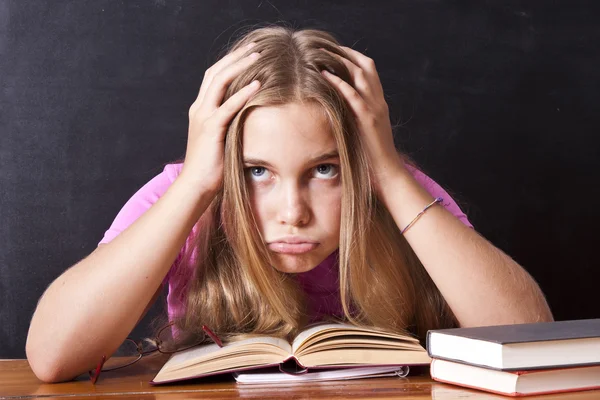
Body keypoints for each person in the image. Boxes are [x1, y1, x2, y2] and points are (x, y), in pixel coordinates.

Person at [26, 25, 553, 383]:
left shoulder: (392, 187)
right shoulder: (184, 195)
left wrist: (389, 174)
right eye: (258, 173)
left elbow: (531, 341)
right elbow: (51, 358)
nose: (292, 212)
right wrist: (194, 190)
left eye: (325, 170)